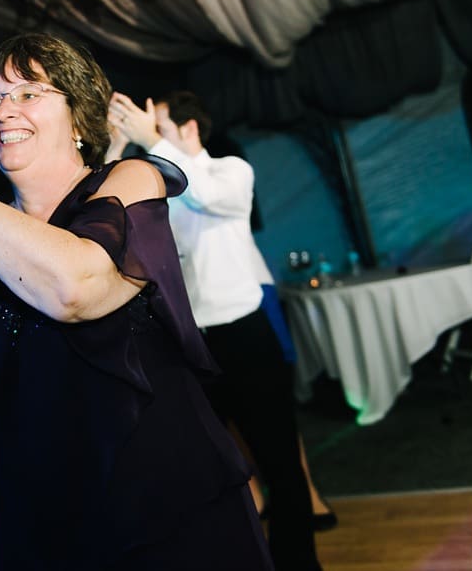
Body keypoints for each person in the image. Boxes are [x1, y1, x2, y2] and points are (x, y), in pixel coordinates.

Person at [0, 34, 273, 569]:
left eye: (28, 93)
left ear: (78, 119)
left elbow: (74, 289)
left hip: (163, 508)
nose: (4, 110)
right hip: (45, 523)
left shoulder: (127, 183)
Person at [106, 89, 322, 569]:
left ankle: (299, 564)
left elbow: (202, 194)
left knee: (279, 460)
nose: (151, 137)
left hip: (244, 335)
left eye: (161, 127)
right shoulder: (149, 184)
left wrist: (152, 141)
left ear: (189, 129)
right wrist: (117, 147)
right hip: (184, 344)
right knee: (203, 469)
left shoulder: (230, 171)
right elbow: (103, 212)